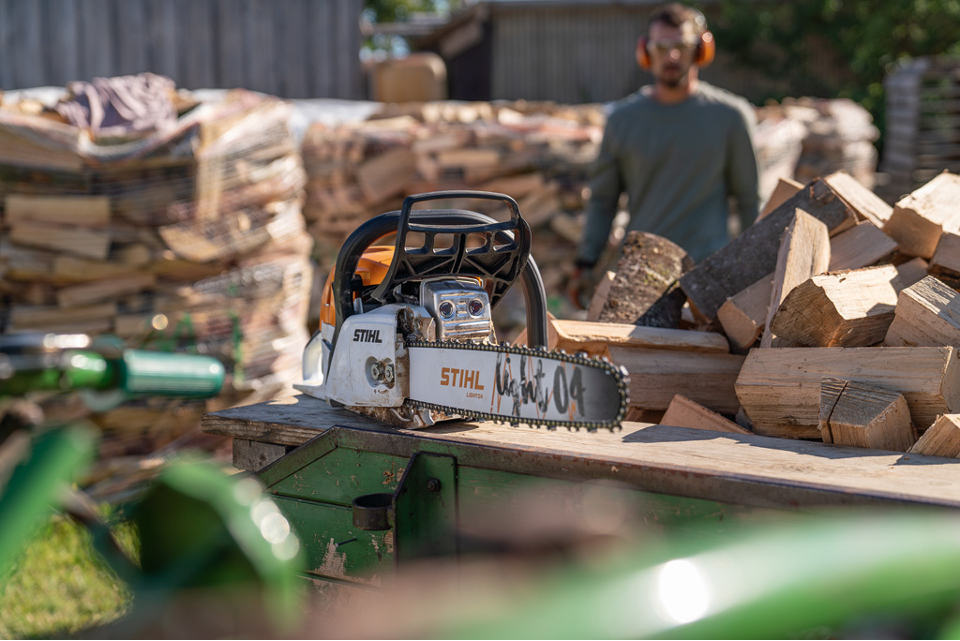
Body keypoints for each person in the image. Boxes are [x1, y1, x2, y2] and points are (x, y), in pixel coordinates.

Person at [570, 2, 760, 307]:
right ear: (646, 52)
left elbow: (750, 199)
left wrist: (756, 269)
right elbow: (603, 200)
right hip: (640, 277)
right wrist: (586, 261)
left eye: (681, 46)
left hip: (707, 278)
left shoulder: (730, 117)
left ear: (700, 50)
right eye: (661, 47)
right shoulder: (623, 120)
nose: (671, 56)